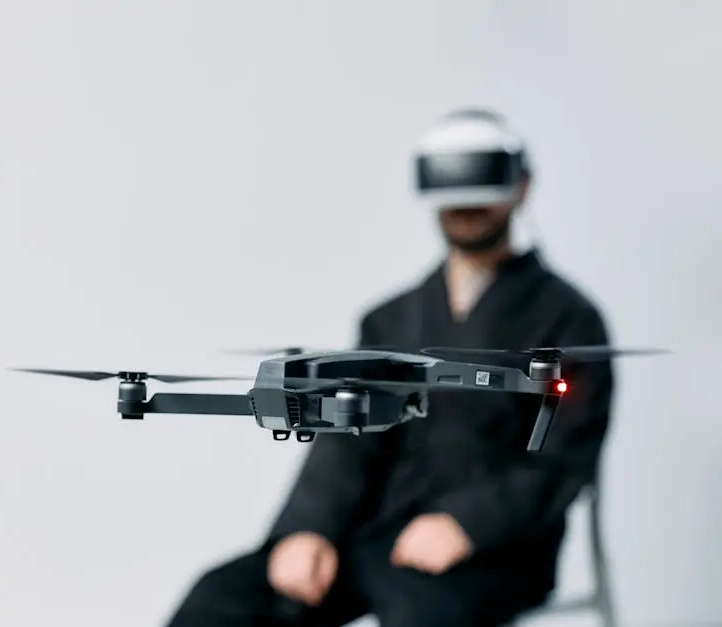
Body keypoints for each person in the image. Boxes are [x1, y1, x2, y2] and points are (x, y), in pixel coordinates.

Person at [164, 109, 615, 626]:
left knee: (422, 613)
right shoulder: (390, 320)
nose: (466, 207)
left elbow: (562, 459)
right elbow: (347, 436)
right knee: (225, 599)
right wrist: (308, 529)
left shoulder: (569, 321)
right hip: (374, 529)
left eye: (480, 191)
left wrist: (464, 524)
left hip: (494, 549)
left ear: (522, 188)